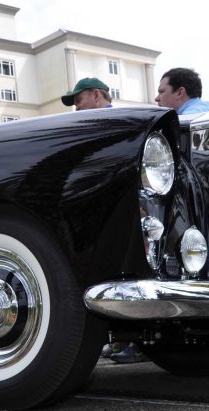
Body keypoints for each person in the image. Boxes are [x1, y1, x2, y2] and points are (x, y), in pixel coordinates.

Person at [62, 77, 146, 363]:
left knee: (121, 271)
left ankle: (133, 339)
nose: (76, 107)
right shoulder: (112, 121)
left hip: (120, 211)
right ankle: (122, 339)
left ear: (96, 95)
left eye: (78, 100)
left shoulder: (111, 122)